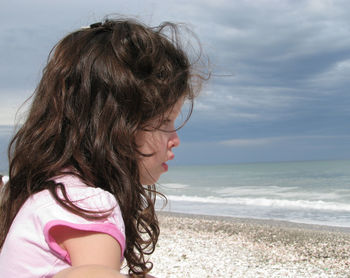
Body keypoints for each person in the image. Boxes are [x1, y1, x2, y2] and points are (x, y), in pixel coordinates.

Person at [0, 18, 206, 278]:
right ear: (115, 128)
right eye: (164, 122)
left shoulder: (52, 194)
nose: (175, 139)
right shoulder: (87, 206)